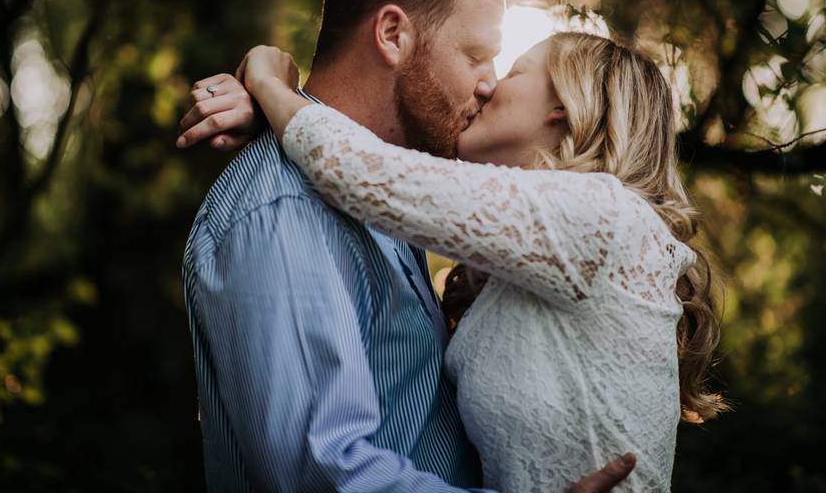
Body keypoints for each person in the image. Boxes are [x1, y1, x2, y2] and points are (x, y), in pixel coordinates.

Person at [178, 0, 638, 492]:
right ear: (392, 34)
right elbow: (322, 472)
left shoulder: (385, 195)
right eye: (475, 54)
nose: (489, 82)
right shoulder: (285, 209)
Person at [195, 34, 725, 492]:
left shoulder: (606, 218)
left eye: (515, 71)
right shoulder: (528, 266)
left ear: (563, 106)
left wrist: (271, 87)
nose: (490, 86)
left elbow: (364, 172)